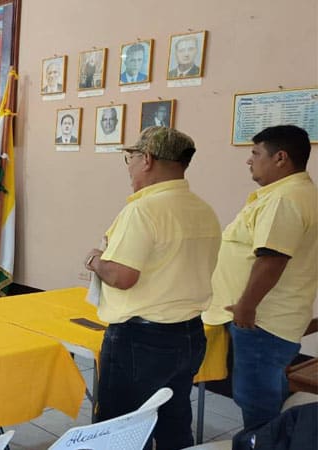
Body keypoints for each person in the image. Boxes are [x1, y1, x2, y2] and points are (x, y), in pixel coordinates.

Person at [84, 127, 221, 449]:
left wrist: (95, 261)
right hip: (189, 333)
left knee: (123, 427)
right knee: (174, 418)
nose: (129, 167)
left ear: (146, 159)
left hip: (141, 340)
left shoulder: (143, 210)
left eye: (129, 159)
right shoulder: (203, 209)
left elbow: (122, 276)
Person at [202, 125, 316, 428]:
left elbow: (272, 259)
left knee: (257, 404)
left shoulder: (285, 199)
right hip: (274, 320)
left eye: (255, 153)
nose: (249, 160)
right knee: (268, 394)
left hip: (261, 322)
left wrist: (246, 306)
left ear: (280, 158)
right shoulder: (296, 193)